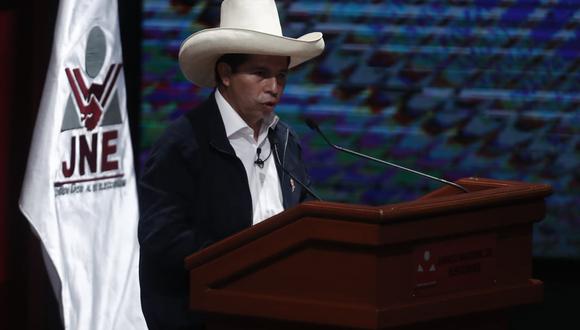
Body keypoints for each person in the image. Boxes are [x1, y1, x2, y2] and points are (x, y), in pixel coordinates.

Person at [137, 0, 325, 329]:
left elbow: (305, 216)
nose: (275, 87)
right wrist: (246, 263)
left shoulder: (284, 140)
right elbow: (163, 241)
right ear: (225, 73)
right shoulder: (183, 145)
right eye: (261, 74)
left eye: (281, 75)